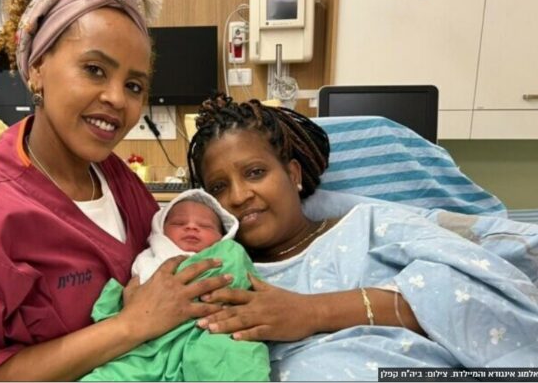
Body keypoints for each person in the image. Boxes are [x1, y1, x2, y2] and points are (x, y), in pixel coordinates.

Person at [0, 0, 233, 381]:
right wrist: (130, 326)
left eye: (133, 85)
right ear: (37, 68)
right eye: (94, 69)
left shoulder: (119, 182)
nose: (116, 98)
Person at [187, 94, 538, 381]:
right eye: (218, 187)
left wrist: (313, 312)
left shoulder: (369, 227)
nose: (238, 195)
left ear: (293, 174)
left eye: (255, 172)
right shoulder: (215, 273)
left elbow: (485, 297)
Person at [82, 188, 270, 381]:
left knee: (234, 359)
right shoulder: (149, 259)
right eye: (179, 223)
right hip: (152, 342)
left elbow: (244, 280)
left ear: (223, 235)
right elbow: (136, 297)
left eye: (205, 226)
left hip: (211, 331)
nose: (191, 227)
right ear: (160, 230)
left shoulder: (228, 253)